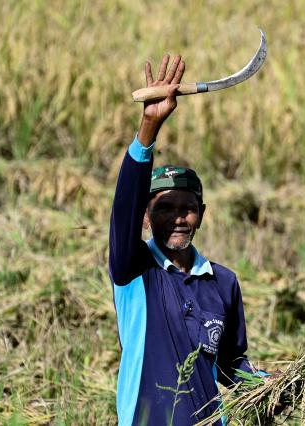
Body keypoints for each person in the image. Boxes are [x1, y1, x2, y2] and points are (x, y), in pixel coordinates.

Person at [109, 54, 262, 426]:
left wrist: (278, 382)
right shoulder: (135, 270)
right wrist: (148, 130)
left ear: (202, 214)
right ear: (146, 217)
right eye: (164, 208)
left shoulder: (223, 282)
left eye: (187, 208)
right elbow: (126, 204)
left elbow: (230, 363)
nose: (178, 217)